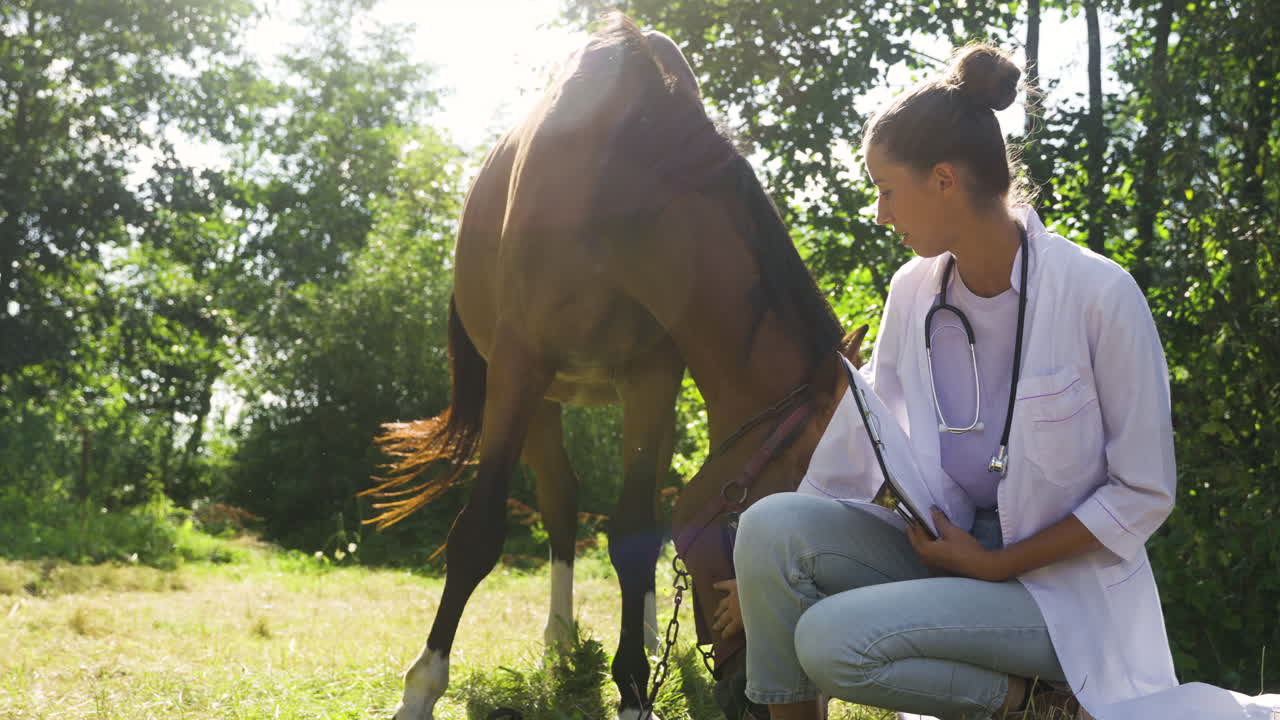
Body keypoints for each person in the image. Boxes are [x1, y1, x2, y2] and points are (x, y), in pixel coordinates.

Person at [726, 43, 1184, 720]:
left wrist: (1000, 563)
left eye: (886, 190)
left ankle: (1039, 707)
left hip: (1063, 598)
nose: (880, 213)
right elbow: (863, 440)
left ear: (942, 179)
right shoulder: (915, 290)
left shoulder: (1099, 295)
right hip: (952, 556)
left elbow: (1145, 492)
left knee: (829, 641)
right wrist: (762, 576)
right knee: (767, 529)